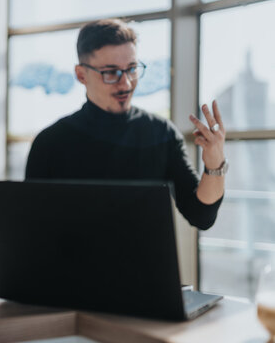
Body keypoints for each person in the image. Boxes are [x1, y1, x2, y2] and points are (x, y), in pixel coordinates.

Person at [25, 19, 227, 230]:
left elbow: (201, 215)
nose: (126, 83)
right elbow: (31, 227)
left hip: (149, 263)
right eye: (111, 72)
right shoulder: (49, 143)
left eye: (132, 69)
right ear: (81, 75)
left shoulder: (161, 133)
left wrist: (215, 165)